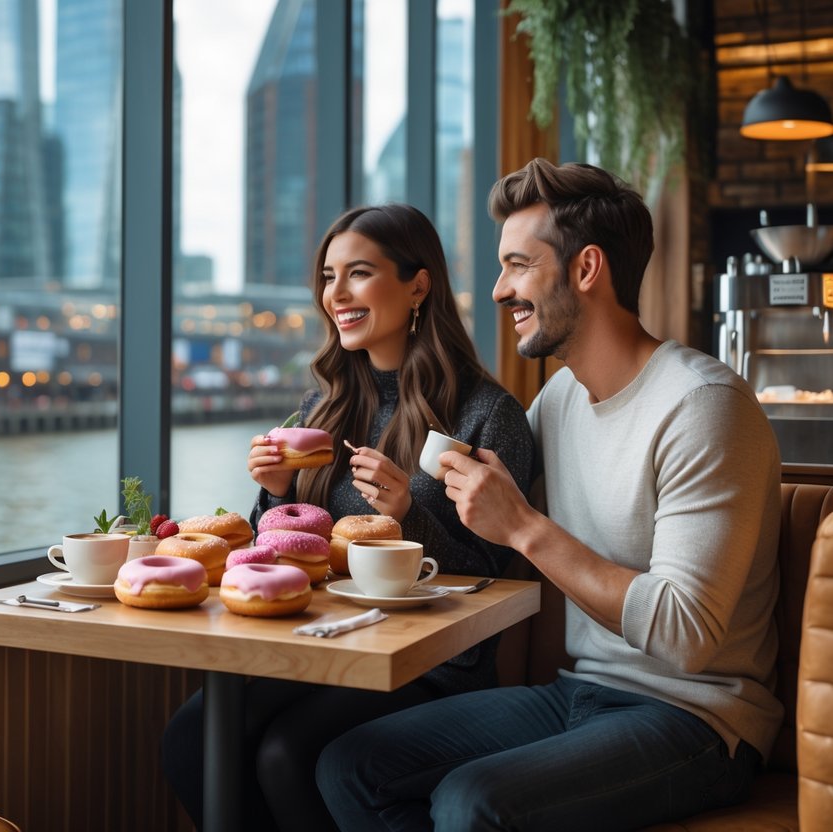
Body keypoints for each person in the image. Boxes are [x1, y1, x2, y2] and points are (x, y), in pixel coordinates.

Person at [317, 159, 783, 831]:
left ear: (586, 269)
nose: (500, 290)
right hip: (579, 693)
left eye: (517, 265)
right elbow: (472, 536)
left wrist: (525, 527)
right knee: (350, 764)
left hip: (698, 717)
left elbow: (686, 637)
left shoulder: (701, 405)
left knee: (470, 801)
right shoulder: (559, 399)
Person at [161, 203, 535, 831]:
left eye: (358, 273)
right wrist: (277, 493)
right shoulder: (321, 406)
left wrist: (407, 514)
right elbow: (284, 551)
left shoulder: (488, 415)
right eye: (329, 277)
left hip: (432, 666)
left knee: (286, 755)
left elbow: (494, 581)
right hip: (324, 642)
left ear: (419, 284)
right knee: (192, 737)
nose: (336, 294)